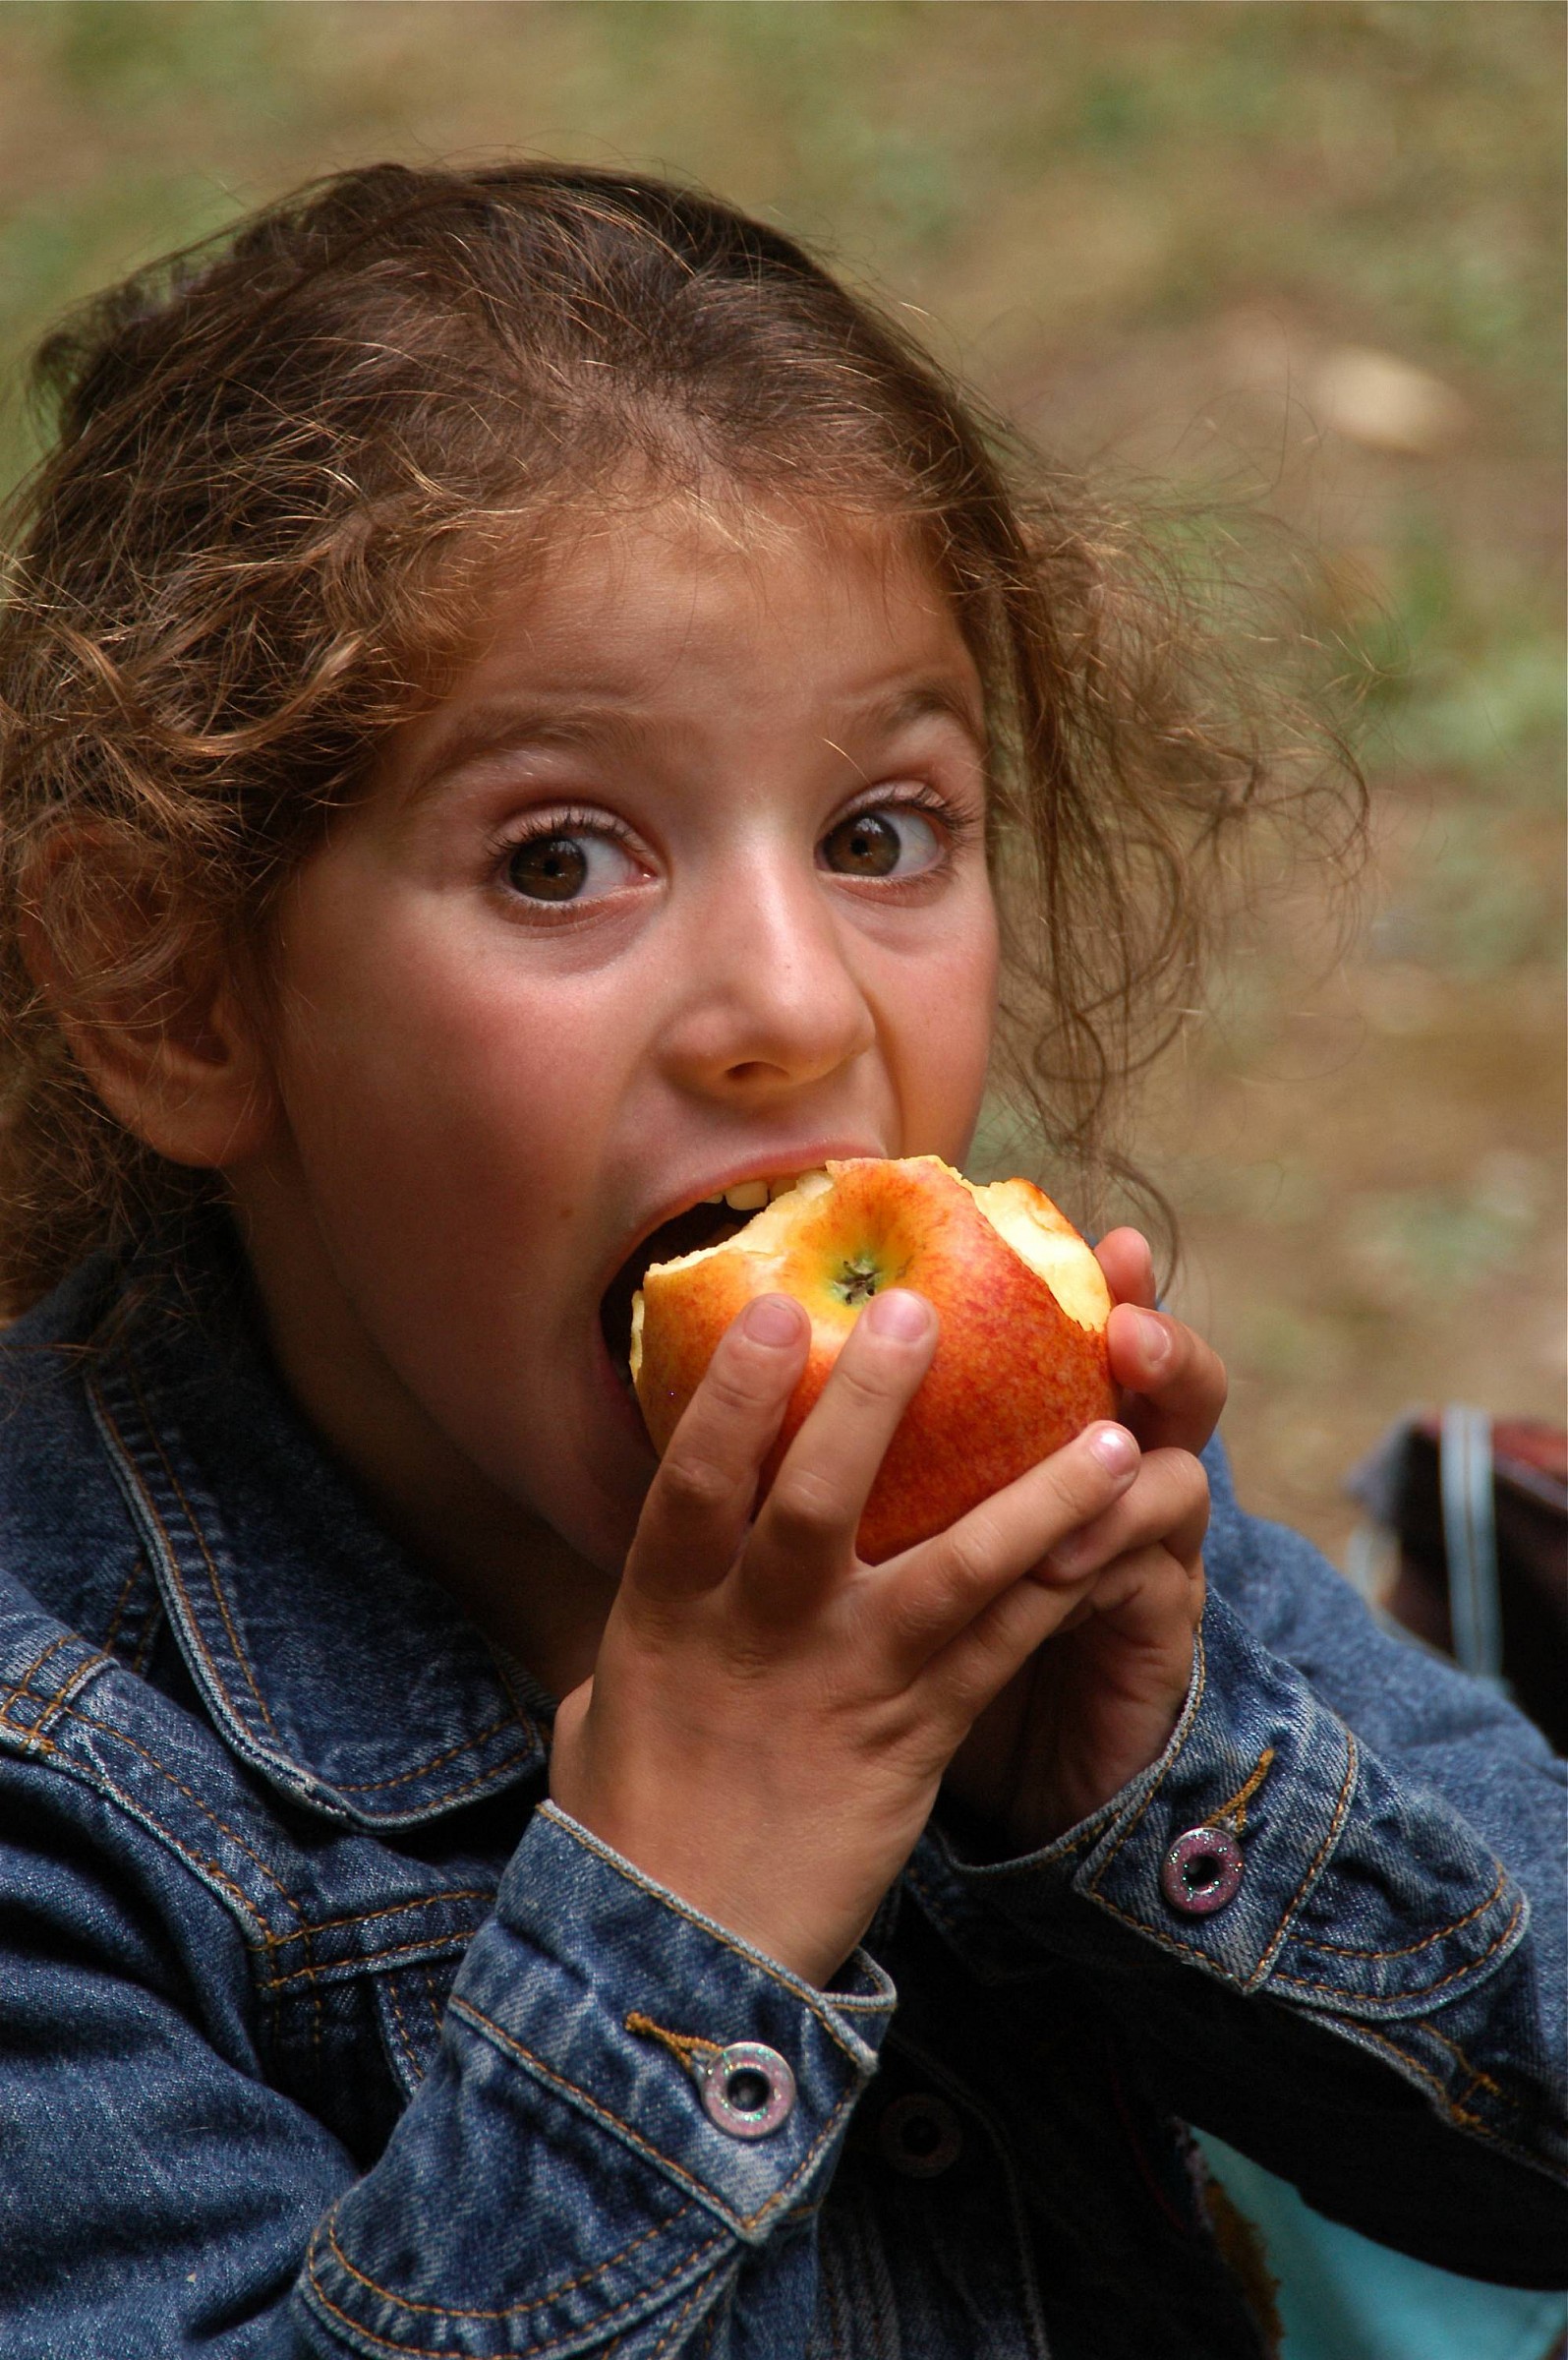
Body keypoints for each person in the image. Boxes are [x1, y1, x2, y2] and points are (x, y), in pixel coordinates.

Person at [0, 162, 1559, 2360]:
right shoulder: (60, 1795)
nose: (800, 1005)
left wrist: (1158, 1768)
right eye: (562, 859)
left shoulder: (1038, 1552)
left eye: (878, 835)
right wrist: (683, 1914)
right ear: (176, 989)